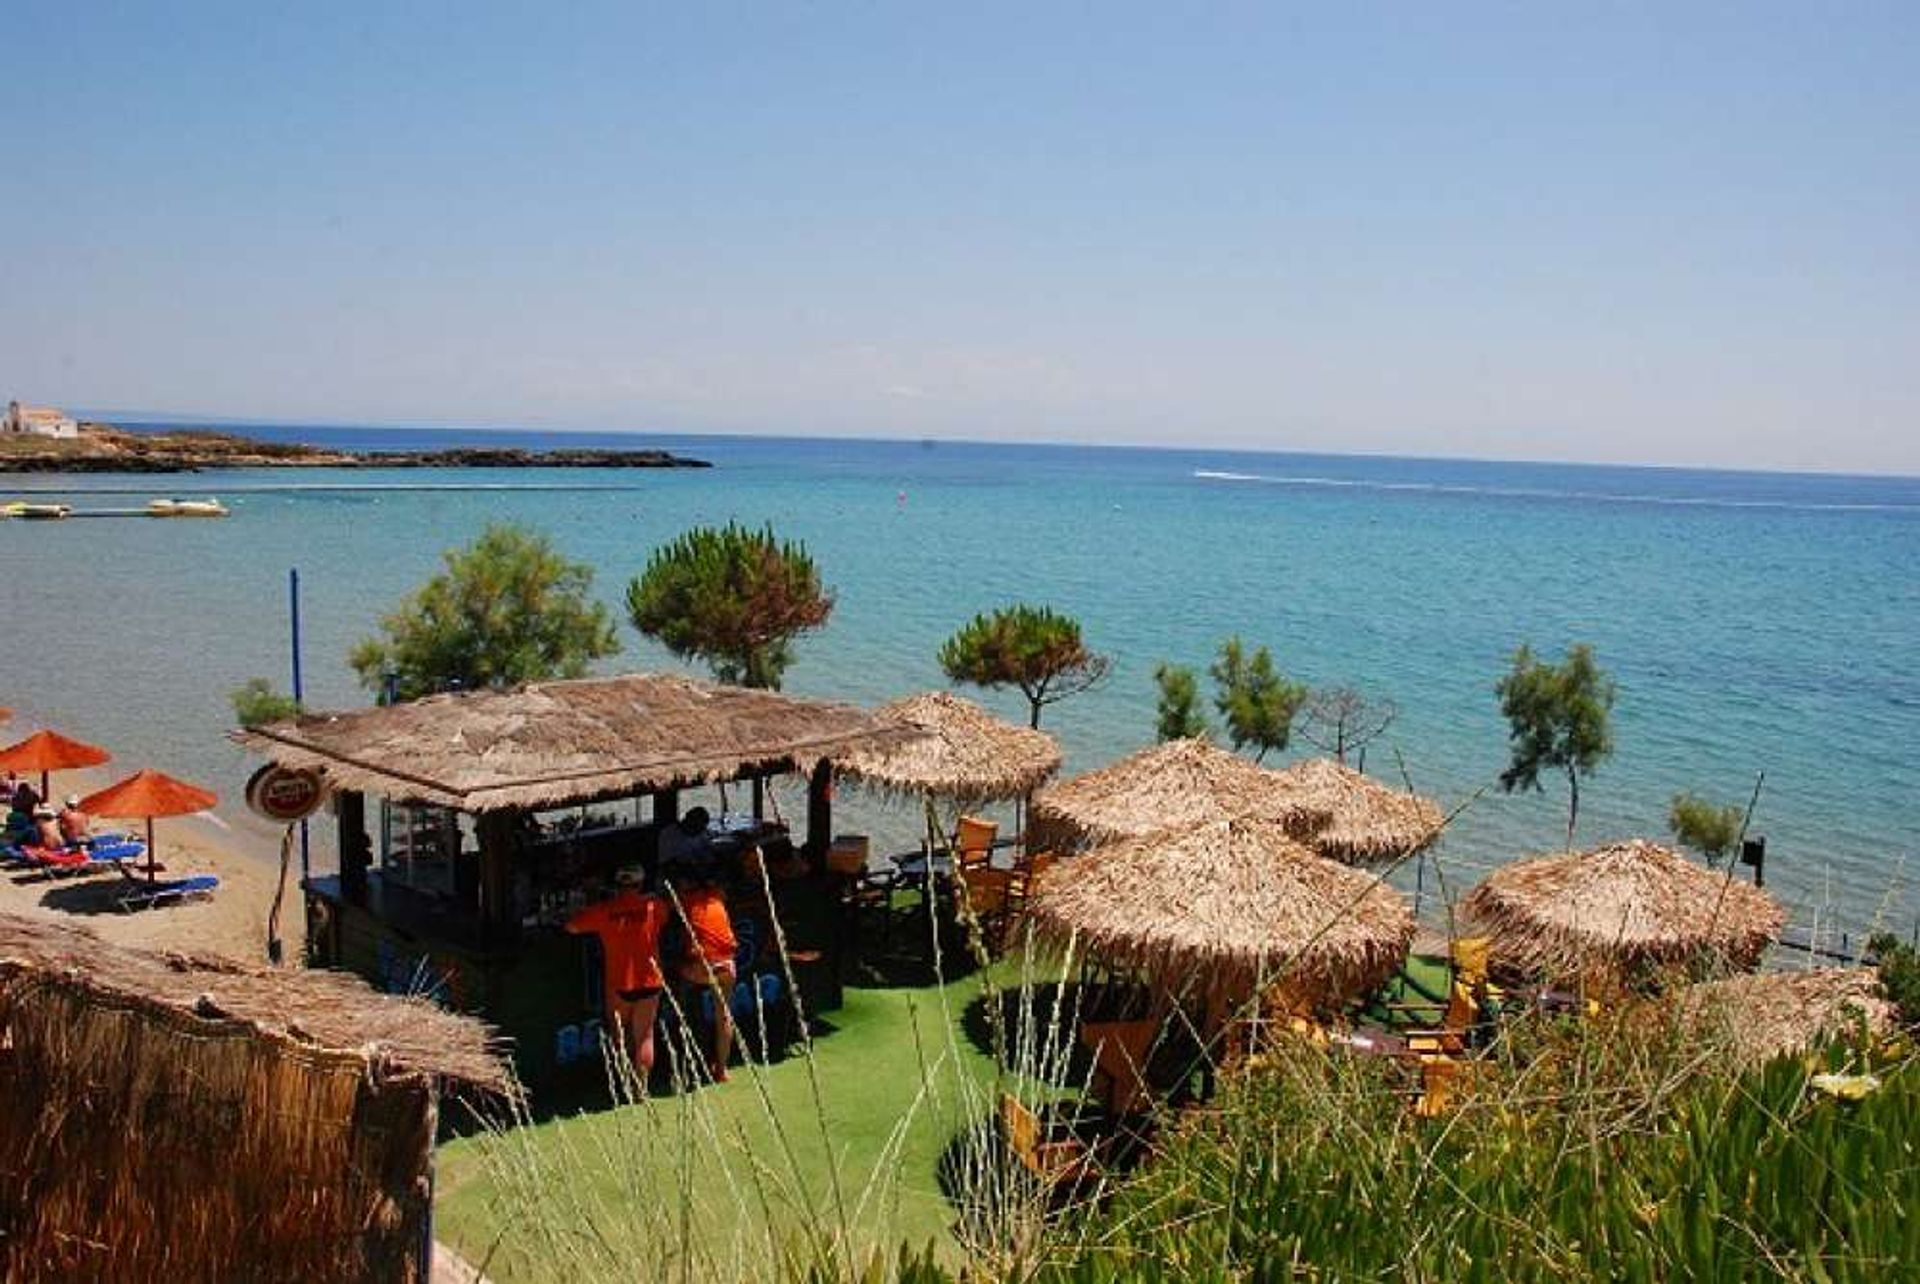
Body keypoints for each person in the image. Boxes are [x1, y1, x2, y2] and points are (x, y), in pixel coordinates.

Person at [566, 866, 669, 1079]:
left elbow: (571, 926)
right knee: (645, 1036)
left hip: (620, 983)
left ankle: (624, 1084)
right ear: (641, 884)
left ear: (616, 886)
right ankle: (640, 1089)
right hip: (650, 980)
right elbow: (665, 916)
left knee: (620, 1035)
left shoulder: (604, 910)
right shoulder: (654, 907)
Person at [669, 868, 738, 1083]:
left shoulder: (683, 899)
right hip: (727, 965)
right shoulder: (717, 896)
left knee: (676, 978)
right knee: (724, 1016)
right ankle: (722, 1070)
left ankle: (686, 1065)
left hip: (701, 969)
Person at [656, 806, 713, 879]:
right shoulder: (669, 834)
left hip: (699, 874)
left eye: (701, 828)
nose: (699, 831)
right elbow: (667, 863)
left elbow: (709, 850)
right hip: (674, 876)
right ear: (687, 820)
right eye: (695, 826)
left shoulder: (701, 834)